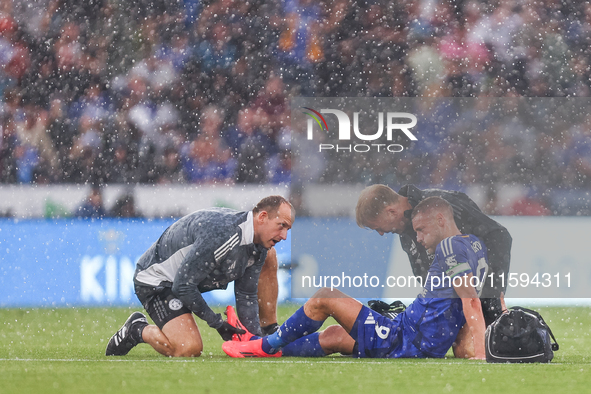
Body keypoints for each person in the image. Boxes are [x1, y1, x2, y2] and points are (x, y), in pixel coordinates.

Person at [223, 197, 487, 359]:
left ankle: (264, 346)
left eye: (421, 230)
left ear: (441, 220)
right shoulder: (475, 245)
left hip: (404, 339)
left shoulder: (449, 247)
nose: (418, 238)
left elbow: (470, 303)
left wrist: (481, 355)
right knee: (335, 336)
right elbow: (468, 304)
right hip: (413, 337)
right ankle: (259, 344)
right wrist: (465, 347)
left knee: (325, 297)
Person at [105, 195, 294, 357]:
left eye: (288, 229)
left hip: (184, 281)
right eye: (281, 226)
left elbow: (246, 294)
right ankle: (137, 329)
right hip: (156, 281)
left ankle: (268, 330)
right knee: (188, 349)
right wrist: (217, 322)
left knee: (270, 255)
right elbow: (183, 286)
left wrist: (254, 342)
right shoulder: (224, 234)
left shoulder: (259, 243)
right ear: (262, 217)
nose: (284, 235)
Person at [355, 184, 511, 326]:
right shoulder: (404, 231)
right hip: (458, 307)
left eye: (377, 227)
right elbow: (427, 278)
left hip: (475, 300)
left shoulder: (443, 204)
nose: (381, 233)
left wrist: (490, 298)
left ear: (391, 212)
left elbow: (499, 235)